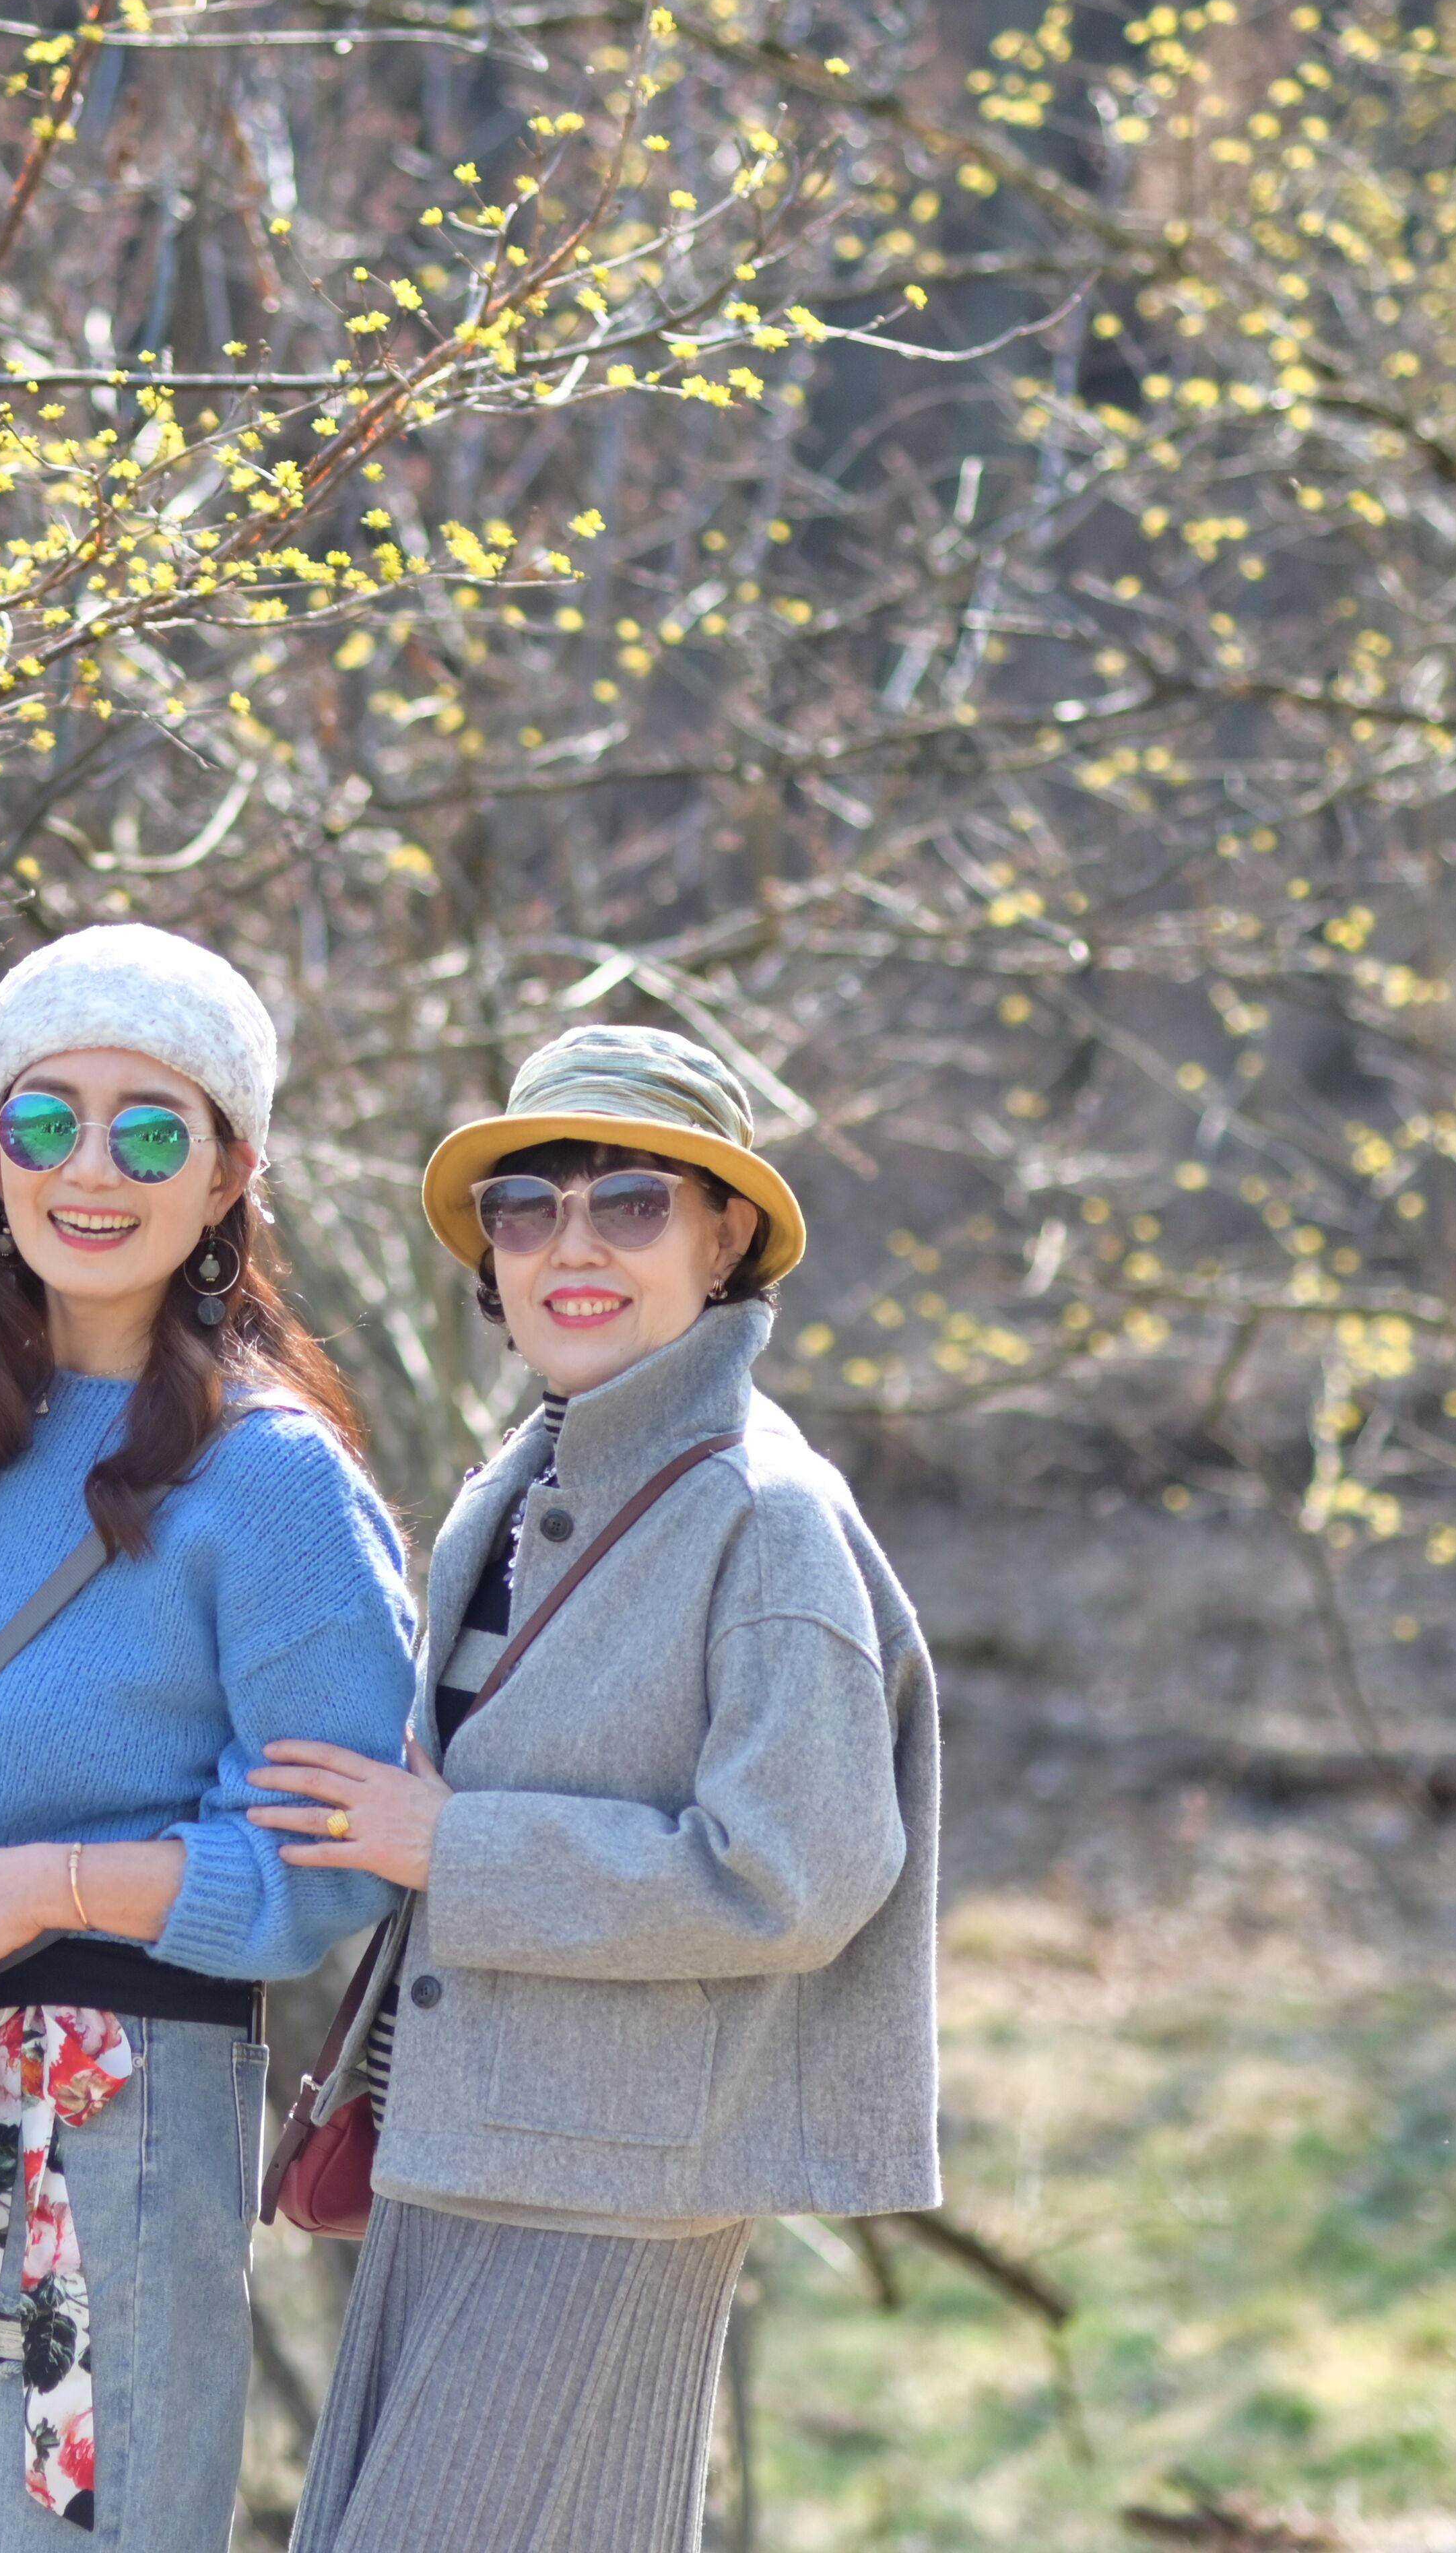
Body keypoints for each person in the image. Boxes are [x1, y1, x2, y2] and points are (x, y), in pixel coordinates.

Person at [254, 1024, 943, 2553]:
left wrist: (455, 1844)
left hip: (607, 2190)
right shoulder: (520, 1485)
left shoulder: (766, 1515)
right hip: (453, 2151)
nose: (572, 1246)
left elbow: (794, 1873)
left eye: (633, 1202)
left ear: (726, 1239)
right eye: (528, 1207)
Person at [0, 923, 418, 2550]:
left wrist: (47, 1883)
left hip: (109, 2126)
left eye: (150, 1130)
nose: (91, 1169)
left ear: (230, 1173)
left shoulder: (271, 1478)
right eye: (48, 1119)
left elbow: (334, 1855)